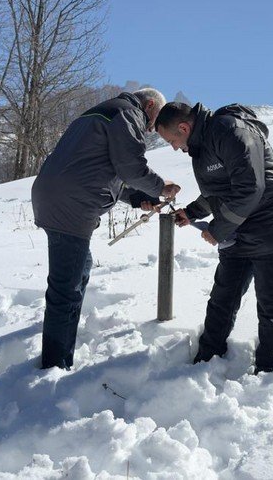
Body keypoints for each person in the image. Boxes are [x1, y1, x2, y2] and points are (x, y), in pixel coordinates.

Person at [31, 88, 181, 370]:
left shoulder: (102, 113)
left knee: (79, 266)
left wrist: (139, 199)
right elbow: (130, 167)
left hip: (53, 195)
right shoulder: (128, 114)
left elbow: (102, 169)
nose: (154, 129)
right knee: (66, 288)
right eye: (156, 120)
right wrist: (162, 187)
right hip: (71, 204)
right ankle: (54, 365)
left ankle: (63, 338)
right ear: (149, 105)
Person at [155, 101, 273, 373]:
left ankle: (269, 373)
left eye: (172, 140)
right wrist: (192, 212)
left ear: (184, 127)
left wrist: (218, 230)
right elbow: (219, 190)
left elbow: (249, 188)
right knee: (223, 298)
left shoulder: (230, 130)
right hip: (238, 228)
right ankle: (206, 361)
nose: (173, 147)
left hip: (271, 222)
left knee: (270, 305)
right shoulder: (201, 148)